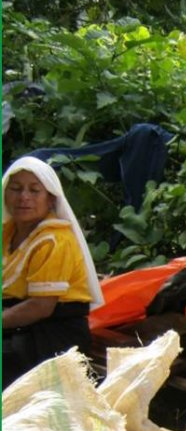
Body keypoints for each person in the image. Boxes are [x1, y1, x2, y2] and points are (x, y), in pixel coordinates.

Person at [2, 156, 103, 389]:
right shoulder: (7, 233)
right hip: (18, 326)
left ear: (50, 199)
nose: (23, 197)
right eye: (16, 189)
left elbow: (40, 306)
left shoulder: (55, 240)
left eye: (34, 190)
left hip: (53, 335)